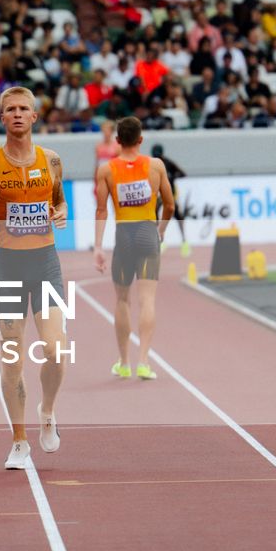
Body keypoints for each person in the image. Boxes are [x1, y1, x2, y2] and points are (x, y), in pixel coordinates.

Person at [0, 86, 69, 469]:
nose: (18, 114)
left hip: (45, 264)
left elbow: (58, 199)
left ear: (35, 117)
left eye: (24, 109)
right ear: (2, 118)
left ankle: (48, 411)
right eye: (11, 110)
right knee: (11, 358)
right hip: (8, 266)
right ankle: (19, 440)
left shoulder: (51, 160)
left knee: (55, 350)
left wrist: (61, 213)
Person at [93, 116, 174, 381]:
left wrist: (98, 247)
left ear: (117, 141)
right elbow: (170, 206)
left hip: (124, 237)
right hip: (148, 233)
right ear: (141, 140)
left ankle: (124, 362)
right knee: (147, 299)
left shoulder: (106, 170)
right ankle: (144, 362)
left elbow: (102, 209)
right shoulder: (156, 166)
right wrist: (160, 230)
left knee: (122, 300)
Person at [149, 140, 189, 252]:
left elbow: (182, 173)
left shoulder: (168, 163)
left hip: (169, 194)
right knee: (154, 215)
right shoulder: (150, 164)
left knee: (177, 215)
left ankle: (184, 240)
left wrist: (172, 176)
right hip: (156, 195)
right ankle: (159, 240)